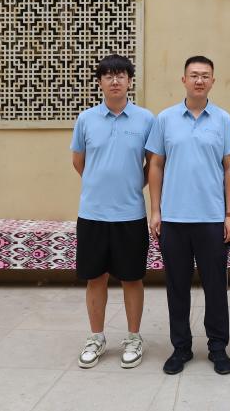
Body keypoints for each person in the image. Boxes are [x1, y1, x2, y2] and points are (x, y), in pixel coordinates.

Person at [146, 55, 230, 375]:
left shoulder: (223, 120)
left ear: (213, 81)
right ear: (183, 80)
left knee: (216, 287)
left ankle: (218, 347)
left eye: (205, 75)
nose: (199, 80)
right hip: (173, 219)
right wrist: (155, 210)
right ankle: (181, 348)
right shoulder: (165, 119)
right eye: (194, 75)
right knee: (176, 287)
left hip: (212, 219)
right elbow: (156, 165)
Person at [70, 54, 155, 369]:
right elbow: (79, 161)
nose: (115, 81)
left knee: (132, 278)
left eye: (121, 75)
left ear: (130, 81)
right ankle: (96, 337)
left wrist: (131, 185)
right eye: (108, 76)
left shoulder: (146, 120)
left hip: (130, 214)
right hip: (93, 214)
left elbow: (153, 164)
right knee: (96, 278)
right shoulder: (86, 119)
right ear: (100, 82)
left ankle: (133, 338)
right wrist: (99, 184)